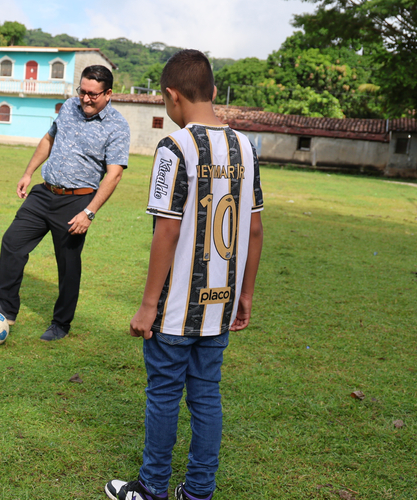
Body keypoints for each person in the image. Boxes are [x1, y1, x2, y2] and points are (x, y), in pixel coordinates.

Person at [104, 50, 264, 500]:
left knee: (164, 396)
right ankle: (198, 492)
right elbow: (253, 228)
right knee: (206, 397)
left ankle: (151, 488)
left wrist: (148, 305)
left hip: (176, 309)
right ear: (212, 91)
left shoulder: (174, 148)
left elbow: (167, 232)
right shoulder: (246, 148)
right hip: (222, 303)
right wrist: (246, 295)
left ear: (172, 97)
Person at [0, 64, 130, 341]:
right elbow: (49, 139)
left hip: (77, 202)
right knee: (12, 242)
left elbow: (114, 174)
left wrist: (89, 212)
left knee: (68, 264)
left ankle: (61, 323)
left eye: (93, 94)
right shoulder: (69, 107)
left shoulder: (117, 126)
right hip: (44, 193)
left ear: (108, 93)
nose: (85, 99)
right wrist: (28, 172)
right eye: (82, 92)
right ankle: (6, 307)